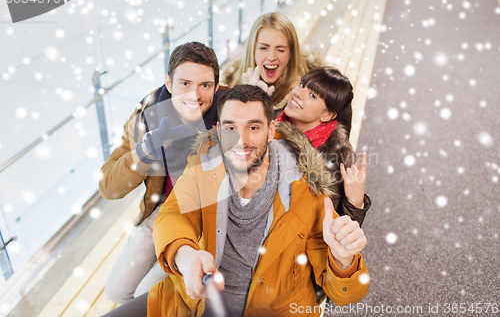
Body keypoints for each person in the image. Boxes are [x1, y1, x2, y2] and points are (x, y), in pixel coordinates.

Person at [102, 84, 369, 317]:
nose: (241, 141)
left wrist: (343, 261)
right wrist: (185, 255)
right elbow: (172, 214)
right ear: (219, 131)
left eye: (253, 127)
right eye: (231, 127)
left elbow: (345, 294)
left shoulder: (306, 189)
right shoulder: (203, 165)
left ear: (271, 130)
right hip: (193, 304)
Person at [99, 41, 224, 304]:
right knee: (116, 292)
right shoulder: (146, 116)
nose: (195, 95)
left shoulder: (229, 117)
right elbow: (108, 187)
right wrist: (144, 154)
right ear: (168, 82)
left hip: (198, 222)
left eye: (205, 85)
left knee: (146, 297)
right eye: (185, 83)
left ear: (216, 86)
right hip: (158, 211)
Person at [221, 12, 352, 132]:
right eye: (263, 48)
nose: (271, 57)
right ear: (252, 50)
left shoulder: (321, 89)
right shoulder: (226, 86)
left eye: (281, 50)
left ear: (291, 53)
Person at [274, 67, 371, 226]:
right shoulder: (271, 118)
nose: (298, 93)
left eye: (312, 95)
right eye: (302, 85)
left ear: (327, 115)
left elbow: (338, 234)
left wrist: (356, 203)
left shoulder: (336, 163)